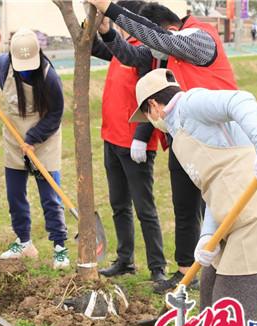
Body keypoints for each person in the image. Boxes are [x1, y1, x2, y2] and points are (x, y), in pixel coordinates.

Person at [131, 68, 257, 326]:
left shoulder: (191, 104)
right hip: (236, 209)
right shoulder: (180, 134)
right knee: (211, 278)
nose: (151, 123)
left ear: (154, 106)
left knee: (234, 299)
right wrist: (207, 236)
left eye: (147, 115)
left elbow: (241, 100)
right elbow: (215, 187)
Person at [88, 0, 238, 293]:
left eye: (154, 37)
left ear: (169, 28)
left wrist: (109, 7)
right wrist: (107, 31)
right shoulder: (167, 52)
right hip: (183, 139)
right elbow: (131, 54)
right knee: (184, 208)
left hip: (218, 142)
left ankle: (228, 272)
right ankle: (186, 271)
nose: (151, 46)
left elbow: (158, 40)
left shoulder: (200, 38)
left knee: (217, 209)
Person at [91, 0, 168, 283]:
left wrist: (141, 137)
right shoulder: (122, 43)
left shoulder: (148, 51)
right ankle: (125, 260)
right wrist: (92, 25)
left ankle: (157, 267)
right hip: (111, 137)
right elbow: (99, 48)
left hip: (134, 143)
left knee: (144, 208)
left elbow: (153, 100)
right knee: (119, 204)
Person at [0, 28, 69, 269]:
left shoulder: (49, 76)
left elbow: (56, 114)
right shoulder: (1, 65)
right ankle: (24, 242)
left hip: (44, 137)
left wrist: (33, 138)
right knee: (15, 194)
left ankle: (59, 247)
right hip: (13, 136)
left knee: (50, 195)